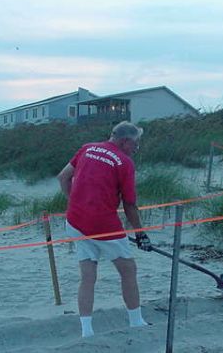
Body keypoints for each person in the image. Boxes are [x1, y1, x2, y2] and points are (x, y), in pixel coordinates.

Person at [57, 121, 153, 338]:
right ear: (125, 141)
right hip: (103, 225)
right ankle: (136, 322)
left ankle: (87, 330)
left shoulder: (87, 148)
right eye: (136, 143)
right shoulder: (125, 163)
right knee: (128, 270)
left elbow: (63, 177)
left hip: (75, 221)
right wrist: (140, 234)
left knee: (88, 275)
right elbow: (129, 204)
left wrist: (75, 202)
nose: (137, 148)